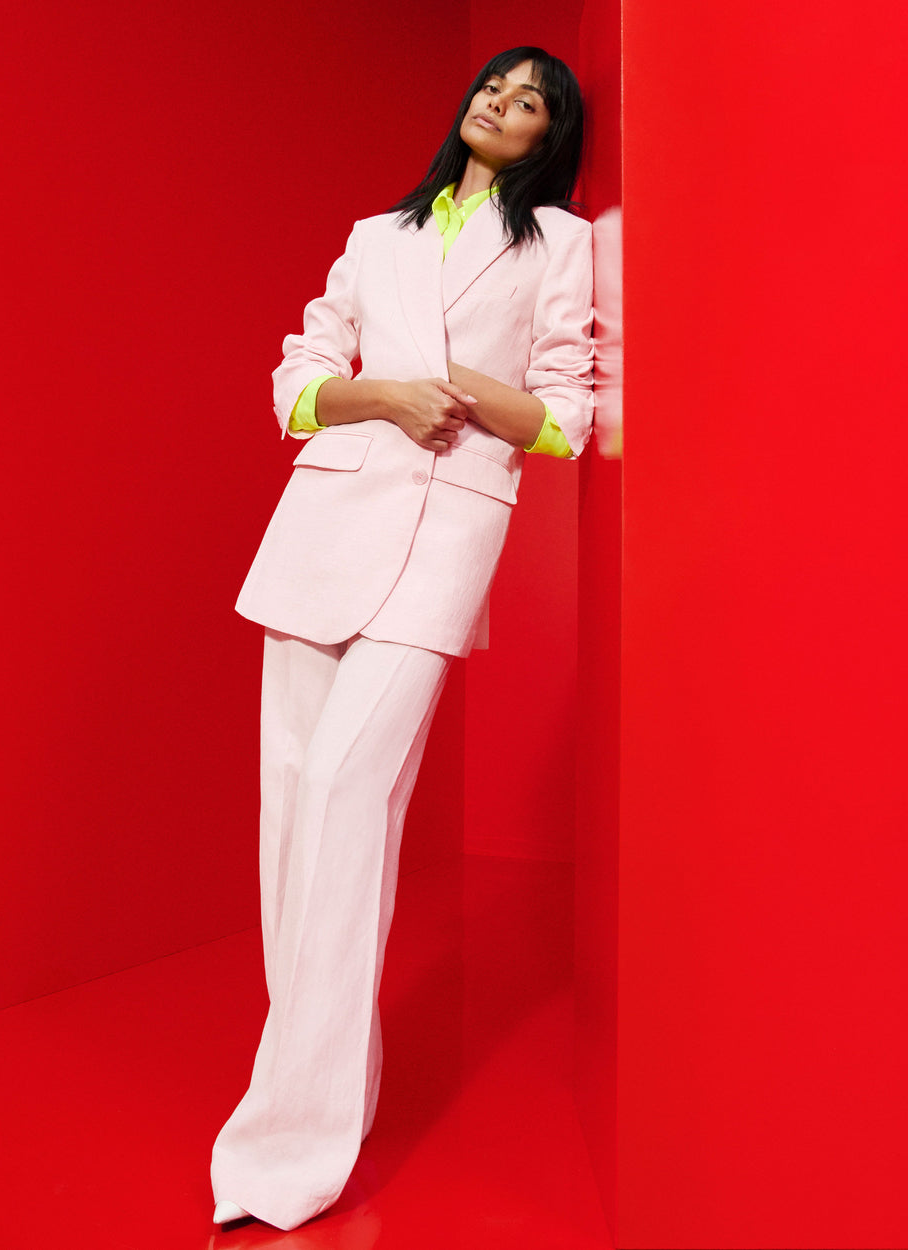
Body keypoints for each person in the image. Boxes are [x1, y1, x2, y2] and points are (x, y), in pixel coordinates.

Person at [210, 46, 594, 1232]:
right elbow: (296, 380)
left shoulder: (562, 242)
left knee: (342, 798)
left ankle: (285, 1147)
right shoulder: (375, 235)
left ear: (547, 139)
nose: (501, 105)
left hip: (440, 540)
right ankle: (335, 1086)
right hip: (321, 526)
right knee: (293, 823)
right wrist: (380, 392)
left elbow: (569, 417)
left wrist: (454, 383)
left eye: (529, 103)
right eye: (494, 87)